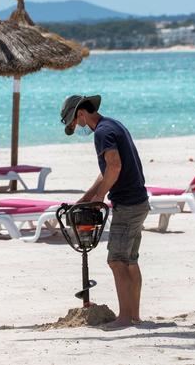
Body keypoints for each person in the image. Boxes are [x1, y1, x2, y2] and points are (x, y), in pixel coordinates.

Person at [60, 95, 149, 330]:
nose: (77, 126)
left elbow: (115, 166)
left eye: (74, 121)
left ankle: (125, 318)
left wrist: (101, 196)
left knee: (116, 261)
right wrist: (88, 198)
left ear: (81, 113)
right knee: (130, 261)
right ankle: (135, 315)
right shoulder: (113, 124)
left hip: (128, 205)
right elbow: (106, 170)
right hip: (139, 202)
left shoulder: (102, 132)